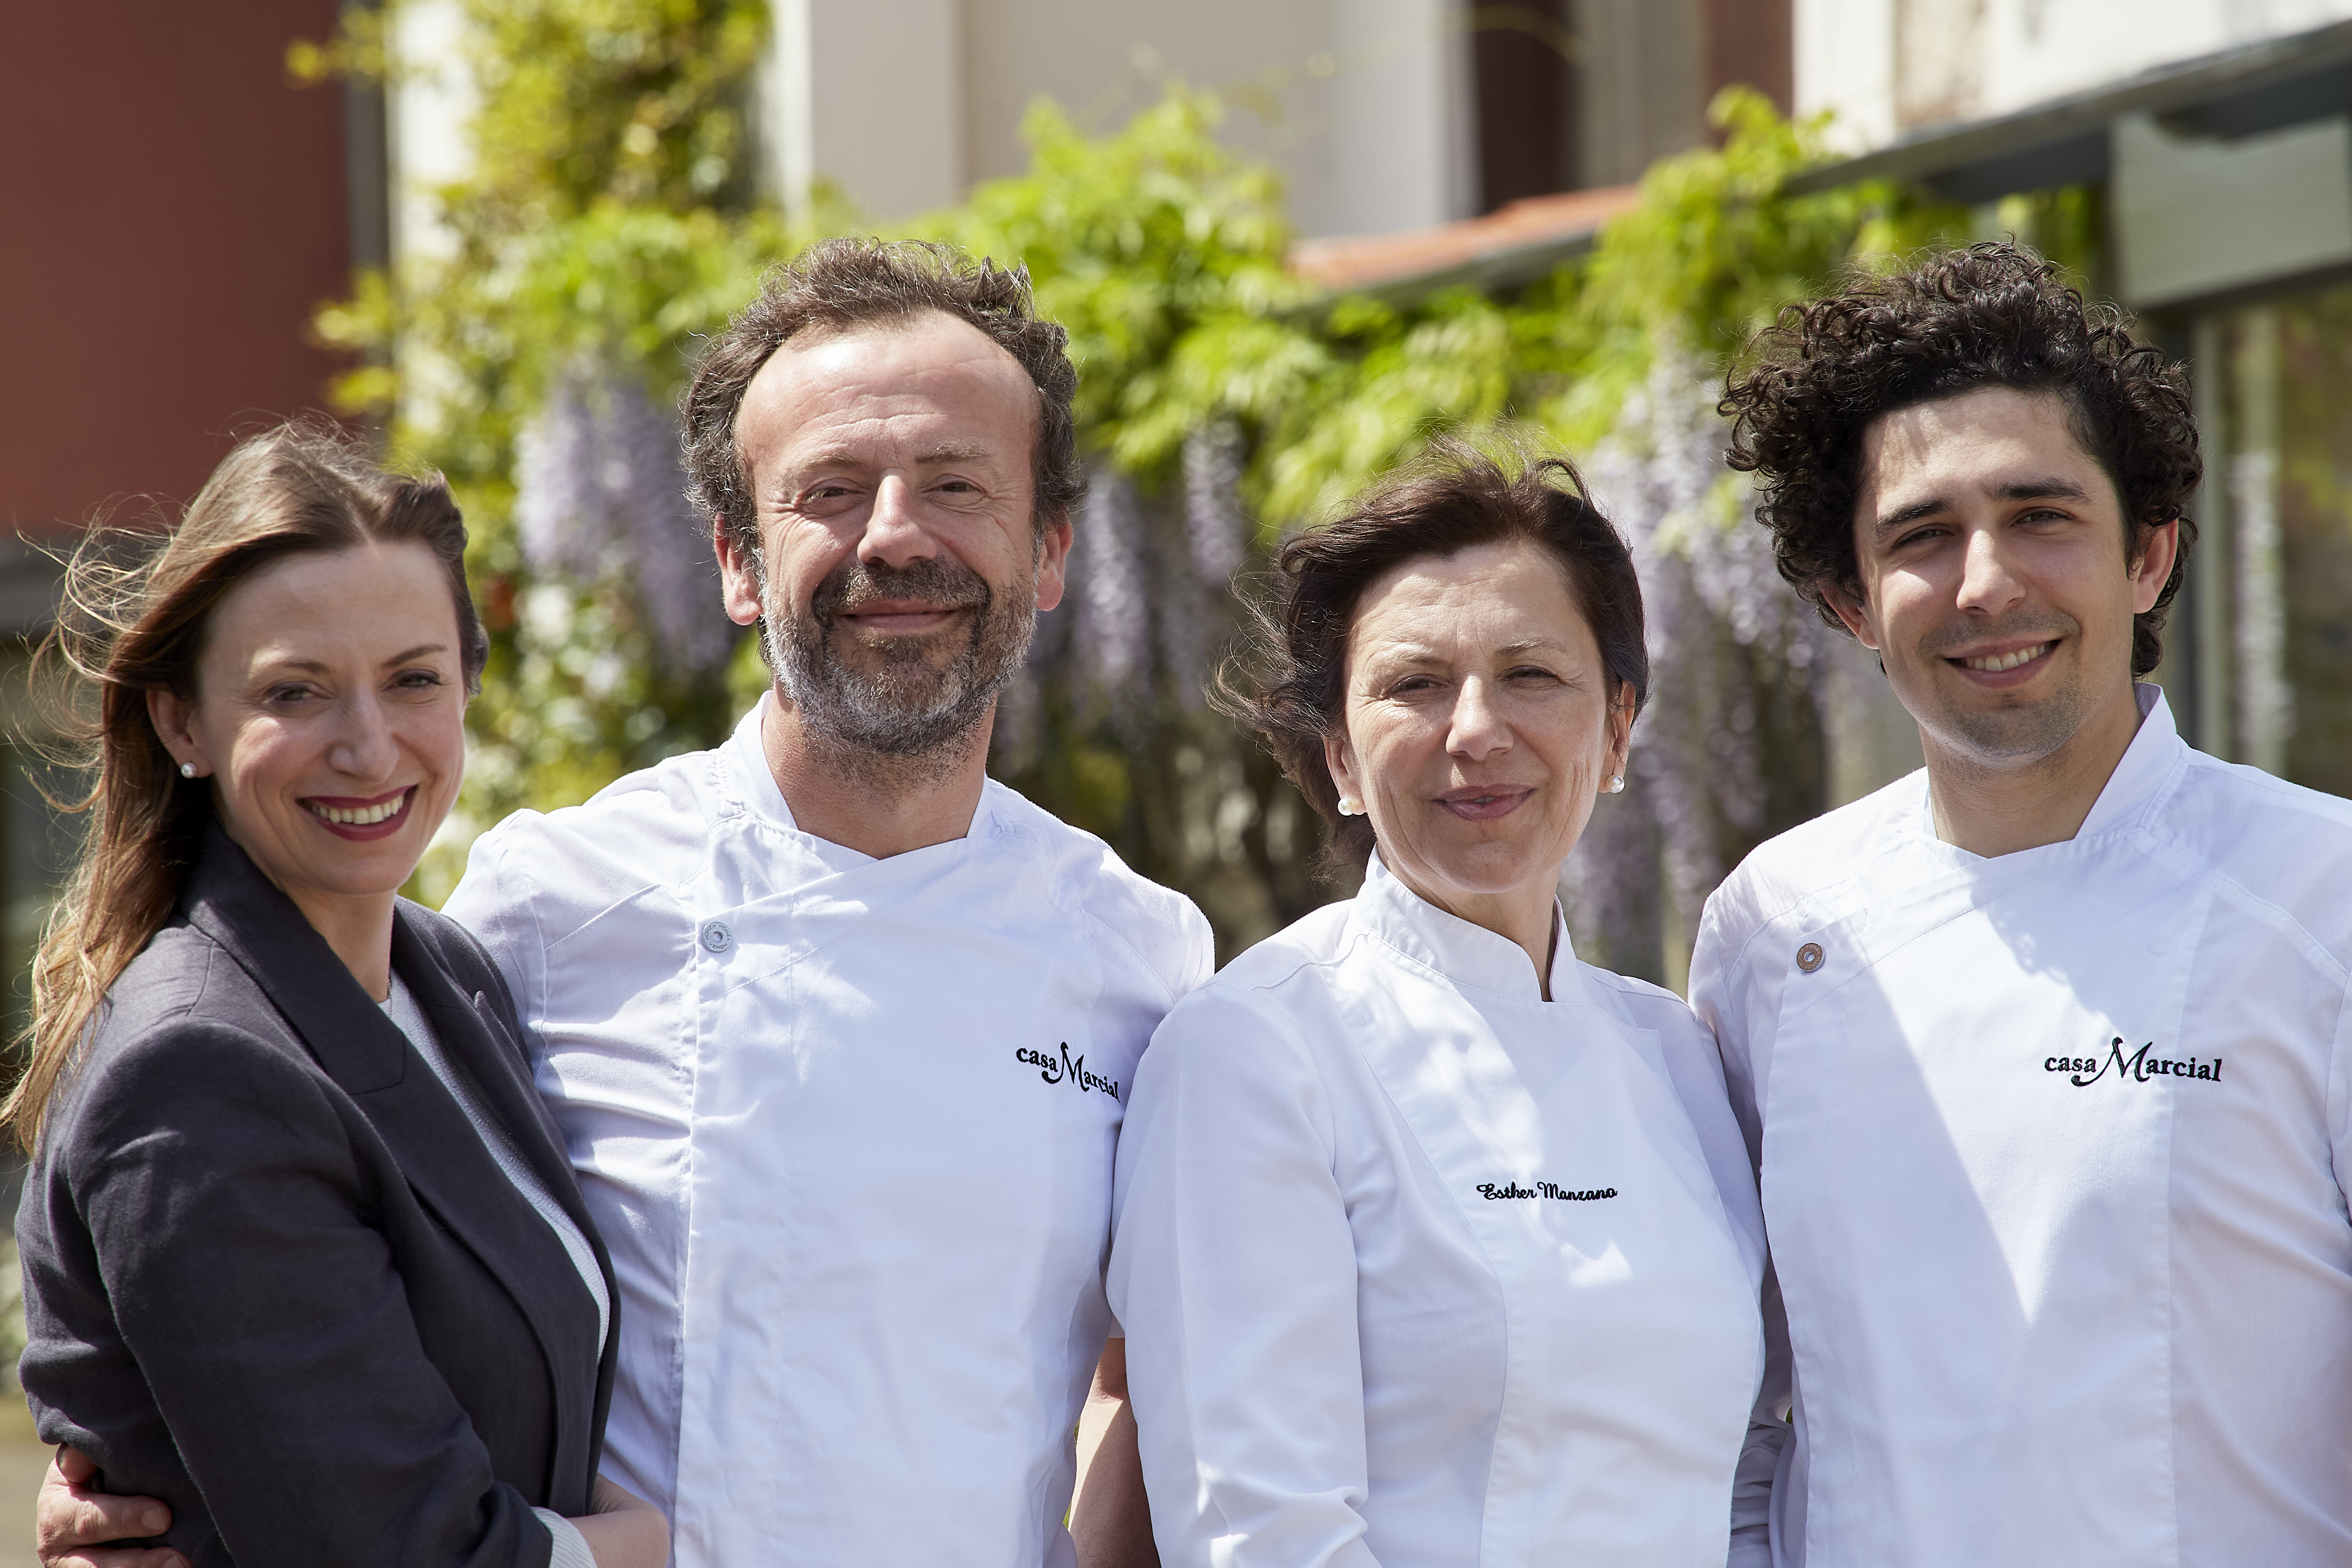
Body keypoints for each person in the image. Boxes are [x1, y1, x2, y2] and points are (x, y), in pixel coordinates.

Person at [1698, 240, 2352, 1566]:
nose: (1984, 582)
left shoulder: (2320, 893)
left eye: (2039, 514)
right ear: (1849, 604)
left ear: (2148, 558)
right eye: (1919, 536)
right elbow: (1734, 1406)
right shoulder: (1775, 924)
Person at [1110, 444, 1781, 1567]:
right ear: (1338, 755)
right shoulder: (1257, 1048)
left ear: (1616, 731)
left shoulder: (1674, 1051)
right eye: (1413, 683)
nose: (1474, 729)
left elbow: (1742, 1470)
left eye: (1531, 674)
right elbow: (1263, 1531)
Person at [13, 426, 667, 1568]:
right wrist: (650, 1544)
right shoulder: (197, 1073)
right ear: (183, 723)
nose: (368, 747)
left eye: (412, 677)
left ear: (467, 679)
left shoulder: (446, 973)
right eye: (295, 691)